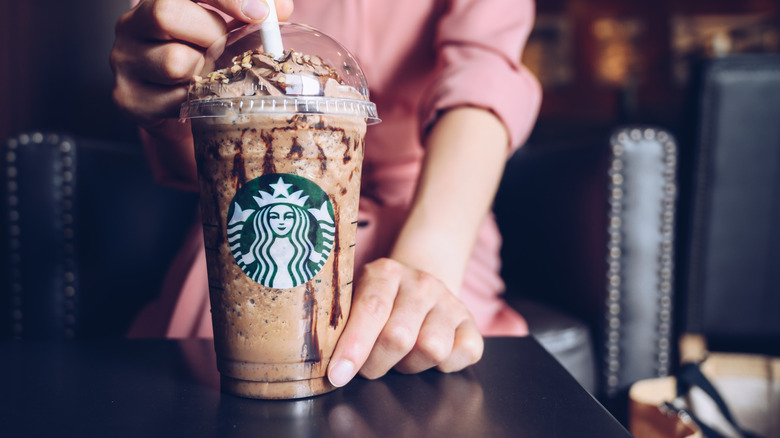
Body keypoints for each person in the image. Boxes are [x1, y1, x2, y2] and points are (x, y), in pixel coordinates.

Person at [110, 0, 541, 389]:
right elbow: (213, 154)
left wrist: (429, 261)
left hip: (435, 204)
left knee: (430, 352)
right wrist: (165, 94)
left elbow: (484, 76)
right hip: (248, 207)